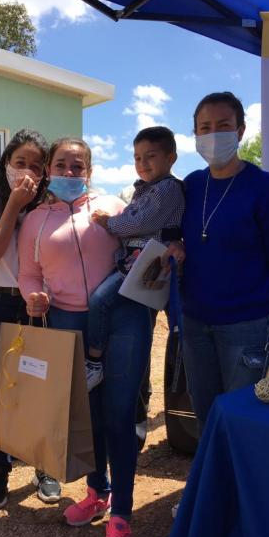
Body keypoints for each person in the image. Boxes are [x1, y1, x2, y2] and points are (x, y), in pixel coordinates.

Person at [18, 137, 152, 537]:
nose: (70, 173)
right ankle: (98, 493)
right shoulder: (34, 220)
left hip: (124, 320)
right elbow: (27, 272)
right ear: (49, 170)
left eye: (79, 167)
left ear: (90, 172)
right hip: (66, 324)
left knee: (118, 416)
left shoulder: (112, 207)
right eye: (62, 164)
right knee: (88, 416)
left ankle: (122, 518)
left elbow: (141, 248)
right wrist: (32, 296)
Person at [163, 91, 269, 432]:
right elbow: (176, 234)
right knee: (207, 417)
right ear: (195, 135)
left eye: (223, 125)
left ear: (240, 131)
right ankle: (216, 483)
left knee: (242, 419)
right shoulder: (191, 186)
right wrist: (176, 244)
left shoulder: (268, 189)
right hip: (195, 323)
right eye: (204, 127)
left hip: (249, 327)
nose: (213, 135)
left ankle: (242, 485)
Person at [0, 129, 63, 508]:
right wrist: (13, 206)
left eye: (36, 167)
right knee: (2, 392)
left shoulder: (47, 203)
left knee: (39, 386)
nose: (27, 172)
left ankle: (45, 466)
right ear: (6, 162)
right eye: (19, 162)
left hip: (34, 305)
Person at [86, 126, 184, 391]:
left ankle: (93, 362)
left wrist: (108, 222)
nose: (142, 163)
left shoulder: (168, 189)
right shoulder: (145, 190)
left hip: (146, 266)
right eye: (137, 158)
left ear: (171, 158)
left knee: (99, 300)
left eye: (150, 156)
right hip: (134, 264)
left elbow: (138, 222)